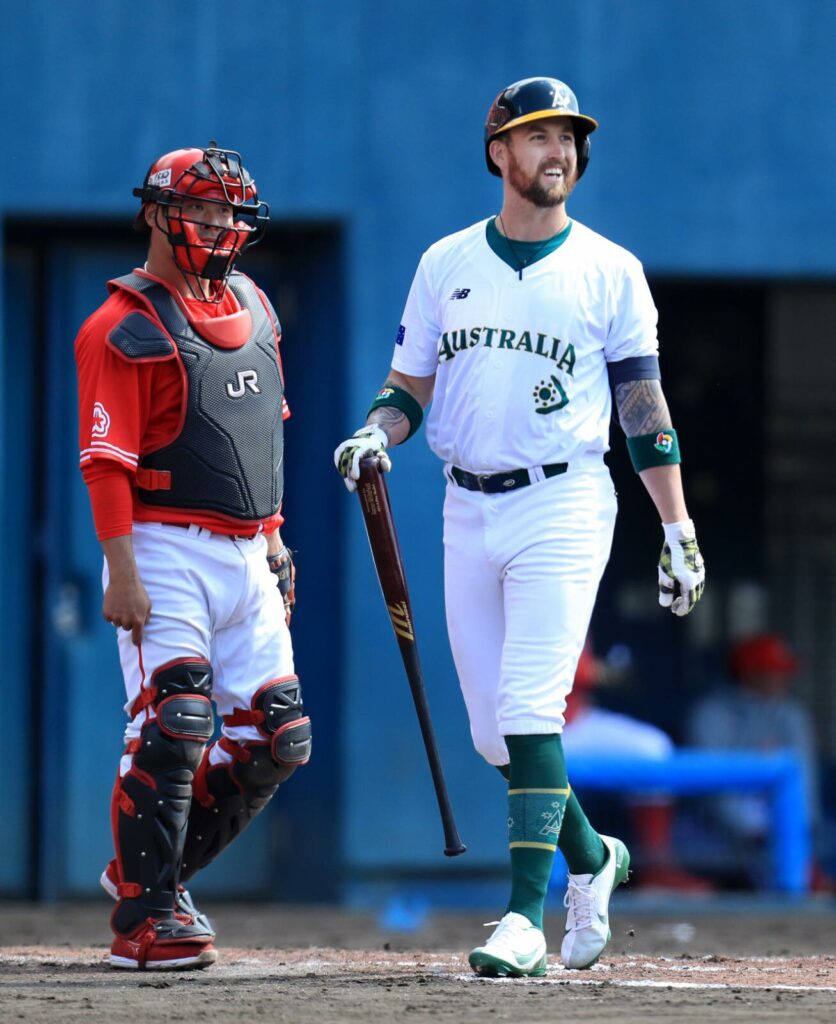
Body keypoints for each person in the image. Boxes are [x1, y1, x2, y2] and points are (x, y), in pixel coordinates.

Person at [334, 77, 705, 976]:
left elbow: (641, 406)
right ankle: (594, 854)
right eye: (539, 136)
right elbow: (408, 387)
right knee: (493, 735)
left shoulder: (610, 269)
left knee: (533, 708)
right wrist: (375, 433)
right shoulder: (445, 262)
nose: (559, 151)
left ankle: (521, 919)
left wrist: (677, 525)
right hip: (467, 502)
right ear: (499, 151)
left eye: (569, 136)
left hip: (563, 499)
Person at [74, 144, 312, 970]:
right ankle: (142, 922)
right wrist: (121, 570)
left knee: (279, 735)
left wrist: (275, 536)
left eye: (229, 214)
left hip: (248, 548)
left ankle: (149, 877)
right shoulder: (122, 324)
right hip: (161, 544)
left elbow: (258, 438)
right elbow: (105, 462)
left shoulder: (256, 304)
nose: (217, 226)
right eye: (201, 211)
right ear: (156, 214)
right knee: (175, 721)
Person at [563, 641, 712, 893]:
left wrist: (599, 670)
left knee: (651, 747)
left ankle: (656, 865)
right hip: (538, 724)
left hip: (579, 718)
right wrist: (601, 671)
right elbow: (563, 669)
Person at [686, 633, 824, 884]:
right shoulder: (711, 714)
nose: (782, 679)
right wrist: (753, 833)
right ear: (748, 674)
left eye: (783, 672)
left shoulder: (791, 716)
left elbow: (806, 786)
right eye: (773, 671)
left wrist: (796, 833)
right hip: (718, 828)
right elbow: (713, 790)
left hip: (783, 822)